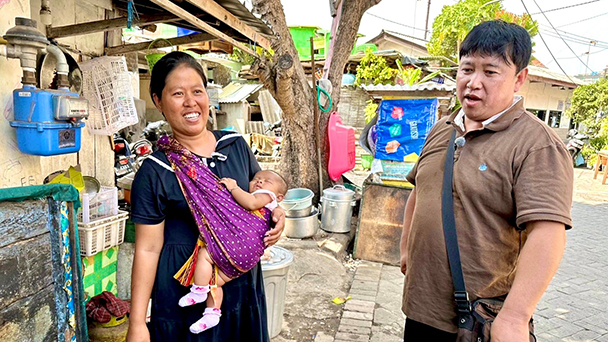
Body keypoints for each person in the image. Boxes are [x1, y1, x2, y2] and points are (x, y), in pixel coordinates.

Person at [399, 20, 573, 341]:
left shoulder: (537, 145)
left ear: (520, 78)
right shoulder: (443, 128)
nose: (473, 83)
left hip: (477, 322)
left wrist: (516, 317)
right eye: (466, 69)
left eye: (490, 72)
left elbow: (547, 233)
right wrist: (406, 247)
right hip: (421, 309)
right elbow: (420, 190)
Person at [127, 51, 285, 342]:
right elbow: (147, 249)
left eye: (197, 91)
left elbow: (265, 196)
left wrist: (279, 216)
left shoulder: (236, 146)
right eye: (177, 93)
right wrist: (137, 323)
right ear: (158, 101)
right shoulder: (155, 170)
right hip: (184, 293)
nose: (191, 102)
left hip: (239, 286)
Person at [176, 170, 287, 334]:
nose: (260, 182)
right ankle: (212, 313)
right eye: (256, 178)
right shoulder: (271, 204)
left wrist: (234, 187)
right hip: (247, 260)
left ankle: (198, 290)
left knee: (205, 256)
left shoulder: (265, 196)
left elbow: (251, 203)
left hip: (239, 248)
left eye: (267, 181)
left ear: (279, 197)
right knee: (214, 281)